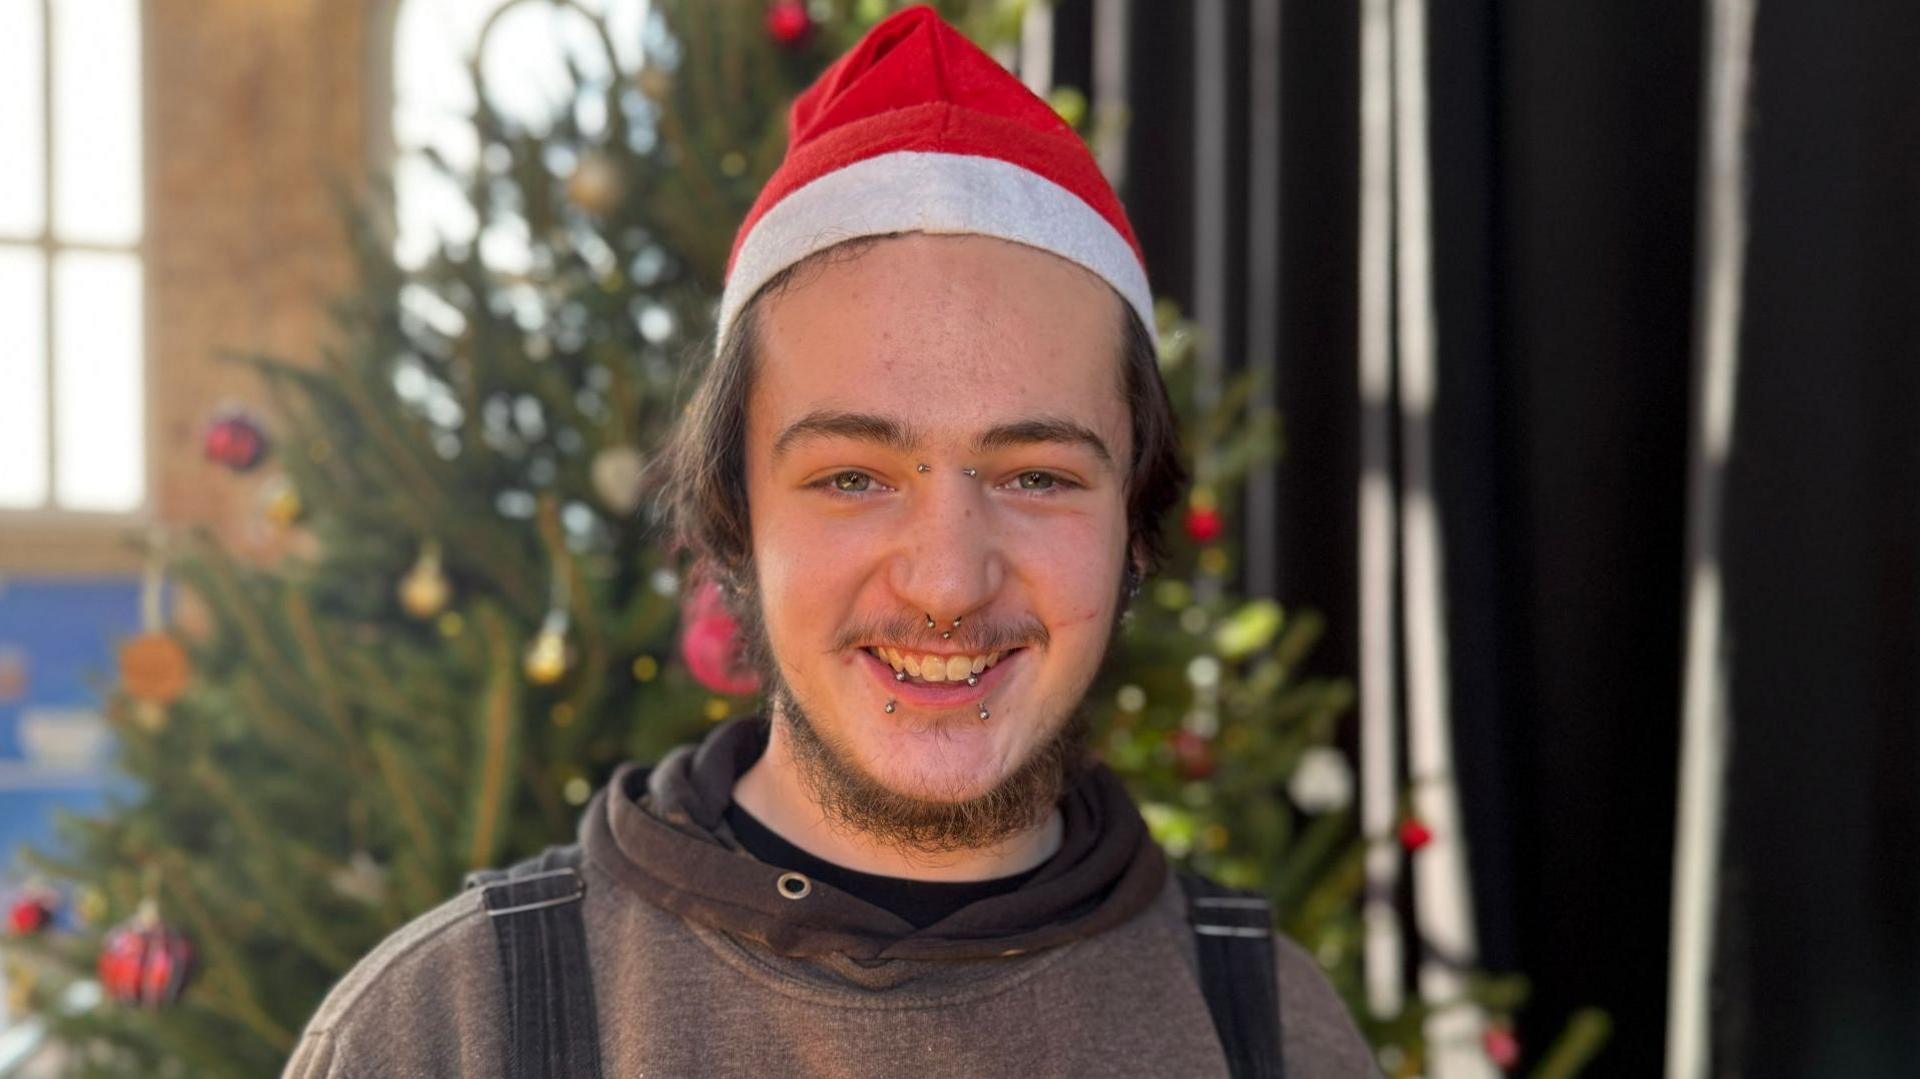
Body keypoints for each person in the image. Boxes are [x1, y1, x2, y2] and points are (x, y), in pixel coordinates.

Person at [286, 7, 1375, 1077]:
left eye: (1037, 475)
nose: (947, 578)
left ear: (1135, 525)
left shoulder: (1272, 1028)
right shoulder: (441, 1031)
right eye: (852, 477)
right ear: (731, 519)